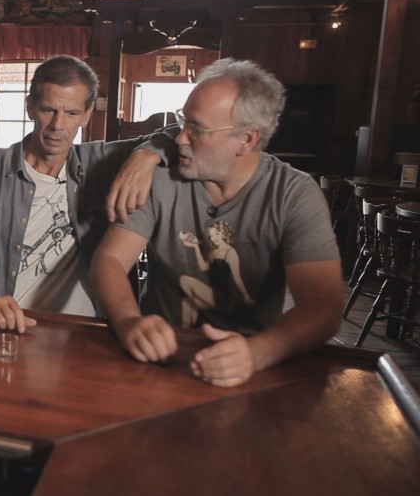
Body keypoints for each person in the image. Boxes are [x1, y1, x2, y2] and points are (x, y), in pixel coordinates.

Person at [90, 58, 343, 387]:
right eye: (182, 121)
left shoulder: (293, 194)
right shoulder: (160, 180)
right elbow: (109, 260)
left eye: (196, 129)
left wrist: (255, 354)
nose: (179, 139)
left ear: (247, 139)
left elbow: (323, 308)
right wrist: (127, 321)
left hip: (250, 366)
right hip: (160, 358)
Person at [0, 55, 175, 332]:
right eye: (49, 110)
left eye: (71, 113)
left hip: (86, 330)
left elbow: (180, 132)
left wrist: (145, 156)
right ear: (30, 107)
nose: (58, 125)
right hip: (9, 326)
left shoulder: (100, 162)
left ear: (86, 115)